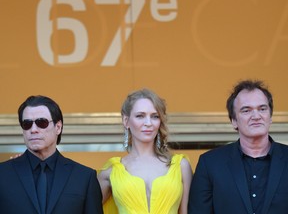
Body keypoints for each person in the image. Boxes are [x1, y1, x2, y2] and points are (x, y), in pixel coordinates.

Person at [188, 79, 288, 214]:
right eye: (246, 110)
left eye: (262, 109)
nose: (256, 116)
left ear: (270, 117)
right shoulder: (210, 163)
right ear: (234, 121)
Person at [0, 95, 103, 214]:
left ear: (58, 127)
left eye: (41, 123)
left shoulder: (84, 177)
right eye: (27, 124)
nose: (33, 129)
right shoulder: (3, 174)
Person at [98, 88, 193, 214]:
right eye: (140, 116)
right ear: (126, 121)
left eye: (154, 116)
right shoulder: (111, 172)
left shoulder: (181, 166)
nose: (148, 123)